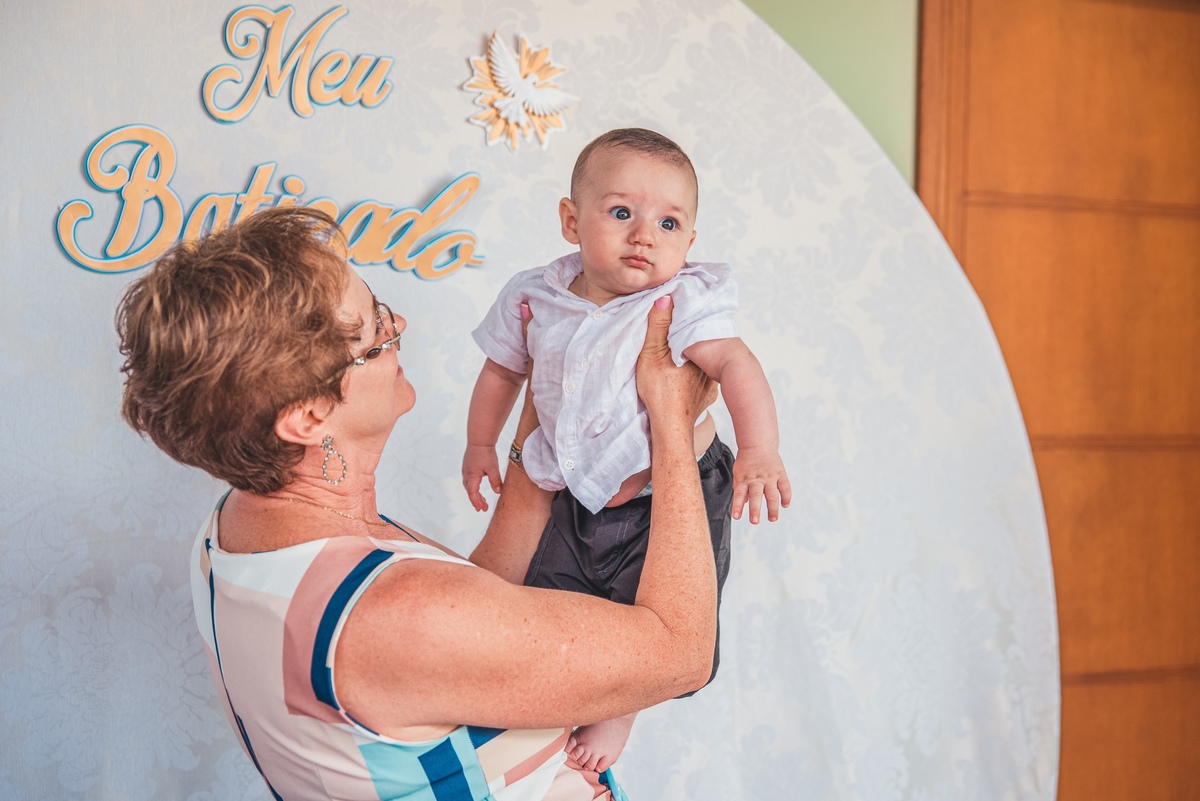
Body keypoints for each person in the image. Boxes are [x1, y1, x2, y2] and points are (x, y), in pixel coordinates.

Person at [116, 207, 720, 801]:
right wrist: (671, 417)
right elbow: (680, 654)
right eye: (373, 332)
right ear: (307, 417)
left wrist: (551, 387)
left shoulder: (241, 525)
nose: (397, 323)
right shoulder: (396, 614)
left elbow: (479, 611)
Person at [462, 128, 792, 771]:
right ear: (571, 220)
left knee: (651, 609)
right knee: (553, 595)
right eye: (621, 213)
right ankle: (557, 703)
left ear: (689, 242)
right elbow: (502, 371)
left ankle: (620, 709)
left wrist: (760, 449)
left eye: (669, 223)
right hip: (572, 485)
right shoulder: (535, 297)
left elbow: (735, 363)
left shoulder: (679, 300)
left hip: (671, 488)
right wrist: (481, 443)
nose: (645, 235)